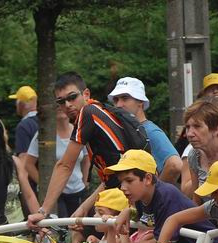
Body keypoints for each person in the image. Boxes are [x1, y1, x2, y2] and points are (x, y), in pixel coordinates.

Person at [27, 72, 139, 230]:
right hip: (135, 198)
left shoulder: (87, 114)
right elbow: (112, 178)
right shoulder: (100, 111)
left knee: (82, 237)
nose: (67, 105)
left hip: (127, 201)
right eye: (61, 101)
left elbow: (65, 165)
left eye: (72, 97)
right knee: (82, 233)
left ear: (86, 94)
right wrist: (84, 207)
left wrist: (43, 211)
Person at [109, 150, 214, 243]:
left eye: (129, 181)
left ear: (148, 179)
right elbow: (145, 217)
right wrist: (128, 212)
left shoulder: (166, 196)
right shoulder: (140, 197)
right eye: (121, 182)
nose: (122, 187)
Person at [25, 93, 89, 218]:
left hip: (78, 191)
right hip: (57, 195)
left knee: (80, 229)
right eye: (58, 104)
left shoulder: (80, 130)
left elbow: (86, 158)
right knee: (61, 231)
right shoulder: (43, 135)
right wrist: (45, 185)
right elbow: (28, 164)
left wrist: (85, 181)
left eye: (64, 105)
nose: (61, 108)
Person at [109, 77, 181, 183]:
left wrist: (155, 194)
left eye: (125, 98)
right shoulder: (132, 131)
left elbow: (175, 165)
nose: (119, 104)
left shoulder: (149, 131)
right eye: (116, 100)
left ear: (140, 102)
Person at [9, 85, 39, 160]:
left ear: (21, 104)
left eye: (17, 100)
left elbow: (23, 158)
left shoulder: (24, 126)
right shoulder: (47, 122)